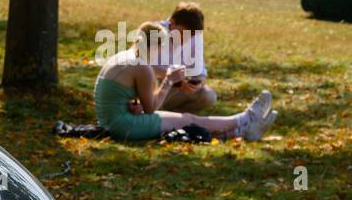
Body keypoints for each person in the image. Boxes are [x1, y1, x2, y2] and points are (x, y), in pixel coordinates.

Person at [95, 21, 275, 141]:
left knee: (187, 119)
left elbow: (117, 95)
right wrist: (168, 81)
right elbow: (151, 109)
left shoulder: (123, 56)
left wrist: (131, 106)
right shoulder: (142, 67)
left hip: (111, 121)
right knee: (187, 120)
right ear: (158, 45)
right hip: (123, 126)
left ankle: (242, 128)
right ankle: (245, 120)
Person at [149, 1, 214, 112]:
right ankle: (151, 114)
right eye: (183, 34)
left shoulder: (194, 38)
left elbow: (200, 72)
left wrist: (197, 84)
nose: (186, 40)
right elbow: (140, 65)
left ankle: (170, 119)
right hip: (149, 88)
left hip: (173, 89)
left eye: (191, 36)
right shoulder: (154, 31)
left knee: (208, 96)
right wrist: (172, 77)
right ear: (172, 23)